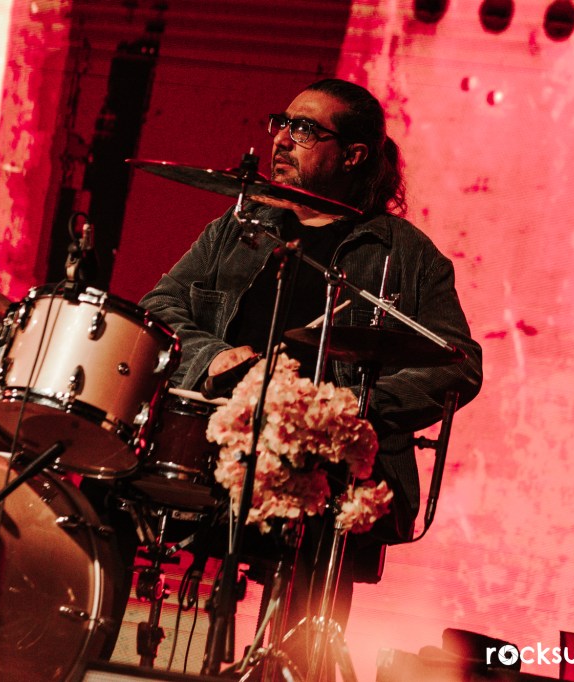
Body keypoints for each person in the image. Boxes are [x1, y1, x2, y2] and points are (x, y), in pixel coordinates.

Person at [137, 78, 483, 644]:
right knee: (112, 482)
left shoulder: (406, 255)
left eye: (304, 129)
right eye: (282, 123)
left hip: (327, 473)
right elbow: (160, 305)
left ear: (353, 155)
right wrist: (214, 357)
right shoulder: (241, 227)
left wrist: (350, 410)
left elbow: (459, 365)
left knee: (306, 616)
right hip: (214, 444)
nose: (281, 139)